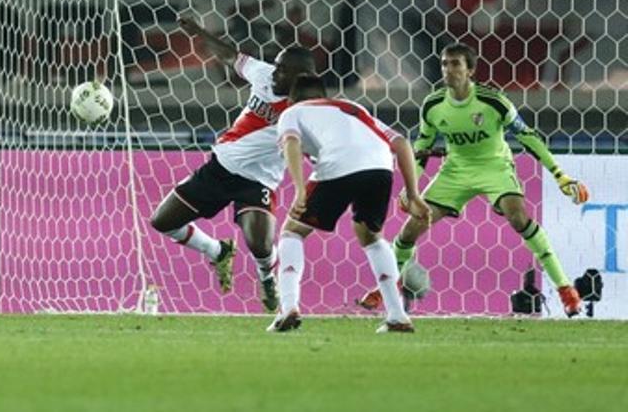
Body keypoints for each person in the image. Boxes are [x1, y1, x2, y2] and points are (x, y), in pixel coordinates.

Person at [356, 43, 590, 317]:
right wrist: (411, 188)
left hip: (495, 167)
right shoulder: (433, 105)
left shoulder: (493, 101)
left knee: (518, 217)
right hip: (456, 171)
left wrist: (560, 175)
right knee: (410, 230)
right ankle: (386, 289)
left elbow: (528, 136)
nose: (449, 69)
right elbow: (422, 149)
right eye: (445, 63)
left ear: (470, 70)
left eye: (456, 64)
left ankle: (565, 290)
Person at [148, 17, 317, 311]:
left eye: (283, 70)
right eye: (276, 66)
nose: (275, 72)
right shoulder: (263, 75)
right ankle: (217, 251)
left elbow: (316, 151)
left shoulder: (306, 112)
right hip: (220, 168)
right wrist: (199, 33)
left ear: (300, 77)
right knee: (162, 222)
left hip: (258, 182)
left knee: (260, 244)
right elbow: (229, 55)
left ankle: (267, 277)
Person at [268, 74, 429, 333]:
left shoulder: (292, 112)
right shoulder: (353, 108)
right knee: (371, 236)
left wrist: (299, 190)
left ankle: (288, 308)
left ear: (291, 100)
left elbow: (291, 142)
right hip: (380, 167)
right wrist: (413, 194)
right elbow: (400, 142)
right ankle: (397, 315)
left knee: (292, 231)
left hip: (339, 164)